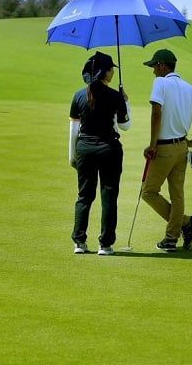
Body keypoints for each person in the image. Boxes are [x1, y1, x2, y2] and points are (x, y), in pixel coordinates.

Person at [141, 49, 192, 252]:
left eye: (154, 66)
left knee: (149, 192)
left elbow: (156, 113)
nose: (153, 71)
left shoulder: (160, 83)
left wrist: (152, 144)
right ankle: (172, 237)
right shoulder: (190, 88)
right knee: (177, 195)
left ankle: (185, 223)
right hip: (182, 147)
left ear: (162, 66)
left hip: (163, 148)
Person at [69, 52, 132, 255]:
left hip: (84, 150)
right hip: (109, 150)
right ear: (105, 72)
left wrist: (73, 156)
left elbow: (74, 130)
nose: (113, 71)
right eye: (111, 69)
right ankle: (105, 244)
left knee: (84, 196)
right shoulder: (115, 96)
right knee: (109, 196)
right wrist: (125, 101)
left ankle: (79, 241)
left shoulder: (79, 95)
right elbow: (125, 126)